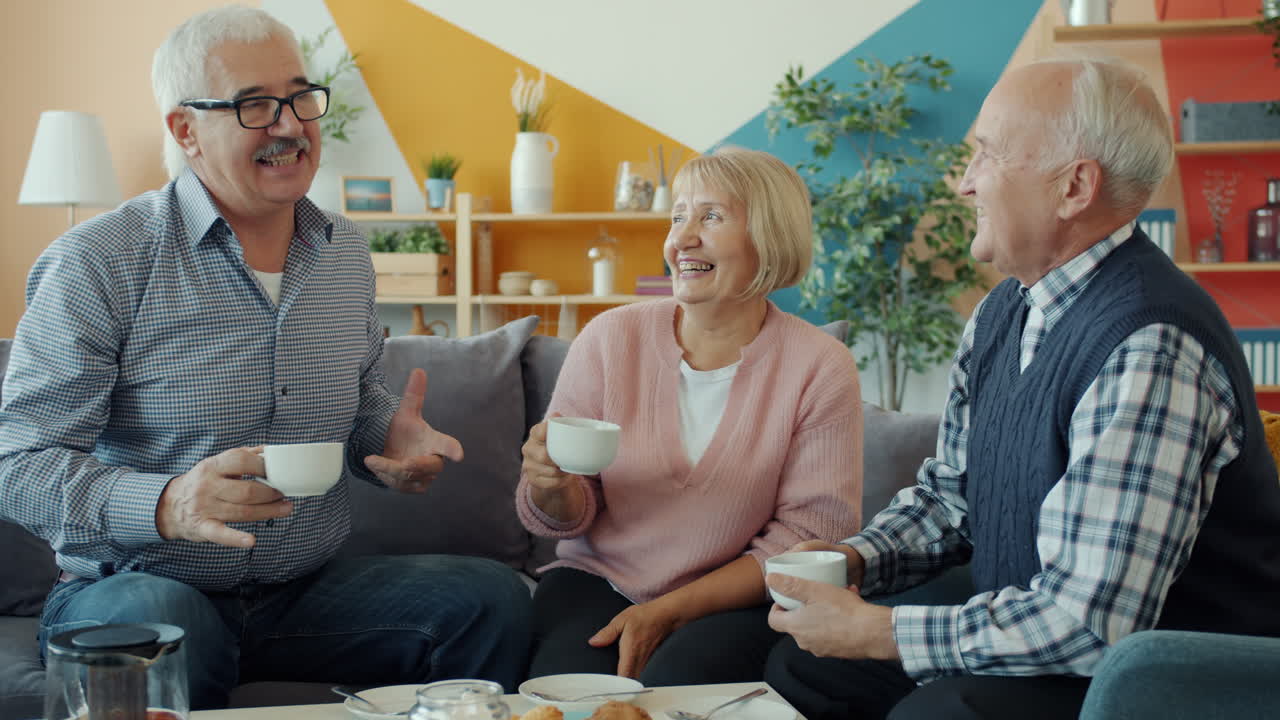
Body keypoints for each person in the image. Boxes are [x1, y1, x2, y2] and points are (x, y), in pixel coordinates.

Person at [0, 6, 531, 709]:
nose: (289, 124)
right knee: (173, 623)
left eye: (299, 97)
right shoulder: (100, 261)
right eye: (254, 105)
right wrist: (164, 503)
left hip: (302, 594)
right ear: (186, 130)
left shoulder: (344, 253)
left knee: (490, 600)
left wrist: (386, 436)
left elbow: (361, 394)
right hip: (135, 587)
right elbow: (21, 466)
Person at [762, 57, 1280, 720]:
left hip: (1166, 683)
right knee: (806, 668)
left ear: (1073, 188)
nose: (964, 184)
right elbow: (954, 499)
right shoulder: (1005, 310)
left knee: (936, 713)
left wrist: (879, 632)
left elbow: (1089, 623)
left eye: (986, 155)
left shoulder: (1149, 343)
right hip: (1046, 653)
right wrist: (855, 560)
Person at [515, 147, 863, 685]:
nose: (681, 239)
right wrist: (550, 484)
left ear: (769, 237)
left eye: (711, 216)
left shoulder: (820, 366)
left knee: (677, 683)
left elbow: (809, 537)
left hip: (735, 600)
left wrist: (669, 610)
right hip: (598, 581)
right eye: (678, 216)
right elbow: (565, 513)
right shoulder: (611, 338)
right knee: (570, 691)